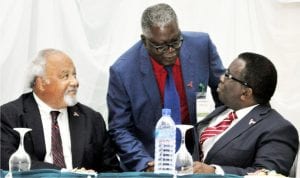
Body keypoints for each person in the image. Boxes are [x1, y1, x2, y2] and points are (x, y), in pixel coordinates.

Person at [107, 3, 224, 171]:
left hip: (198, 157)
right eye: (160, 46)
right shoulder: (123, 71)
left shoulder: (201, 46)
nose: (170, 51)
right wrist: (145, 164)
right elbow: (120, 128)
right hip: (151, 158)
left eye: (175, 41)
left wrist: (216, 138)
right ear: (144, 40)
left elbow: (225, 94)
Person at [0, 48, 120, 172]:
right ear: (41, 83)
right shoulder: (9, 117)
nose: (75, 82)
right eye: (65, 76)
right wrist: (64, 174)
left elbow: (112, 170)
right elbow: (6, 162)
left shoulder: (92, 120)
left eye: (74, 75)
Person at [190, 52, 299, 176]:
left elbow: (268, 174)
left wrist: (215, 171)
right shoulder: (222, 111)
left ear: (246, 93)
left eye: (228, 75)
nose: (221, 78)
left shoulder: (278, 129)